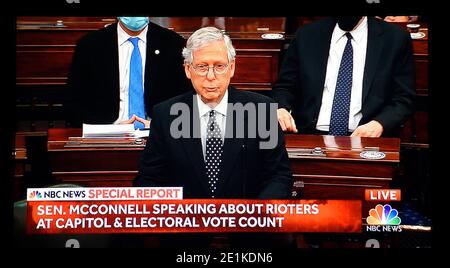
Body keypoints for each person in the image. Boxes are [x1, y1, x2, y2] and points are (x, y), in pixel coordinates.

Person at [134, 26, 293, 248]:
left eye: (219, 66)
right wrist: (174, 215)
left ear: (232, 68)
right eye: (201, 67)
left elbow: (278, 176)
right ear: (187, 70)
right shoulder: (166, 114)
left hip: (249, 236)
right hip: (185, 236)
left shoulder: (262, 110)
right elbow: (148, 179)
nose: (211, 77)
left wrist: (258, 214)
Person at [272, 16, 415, 137]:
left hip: (366, 137)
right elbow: (284, 87)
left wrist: (380, 124)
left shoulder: (394, 39)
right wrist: (281, 108)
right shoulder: (307, 35)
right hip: (310, 134)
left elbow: (403, 99)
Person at [66, 17, 192, 129]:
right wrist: (109, 129)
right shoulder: (90, 45)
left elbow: (184, 99)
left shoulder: (173, 44)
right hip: (107, 132)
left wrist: (160, 126)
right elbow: (74, 102)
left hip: (157, 133)